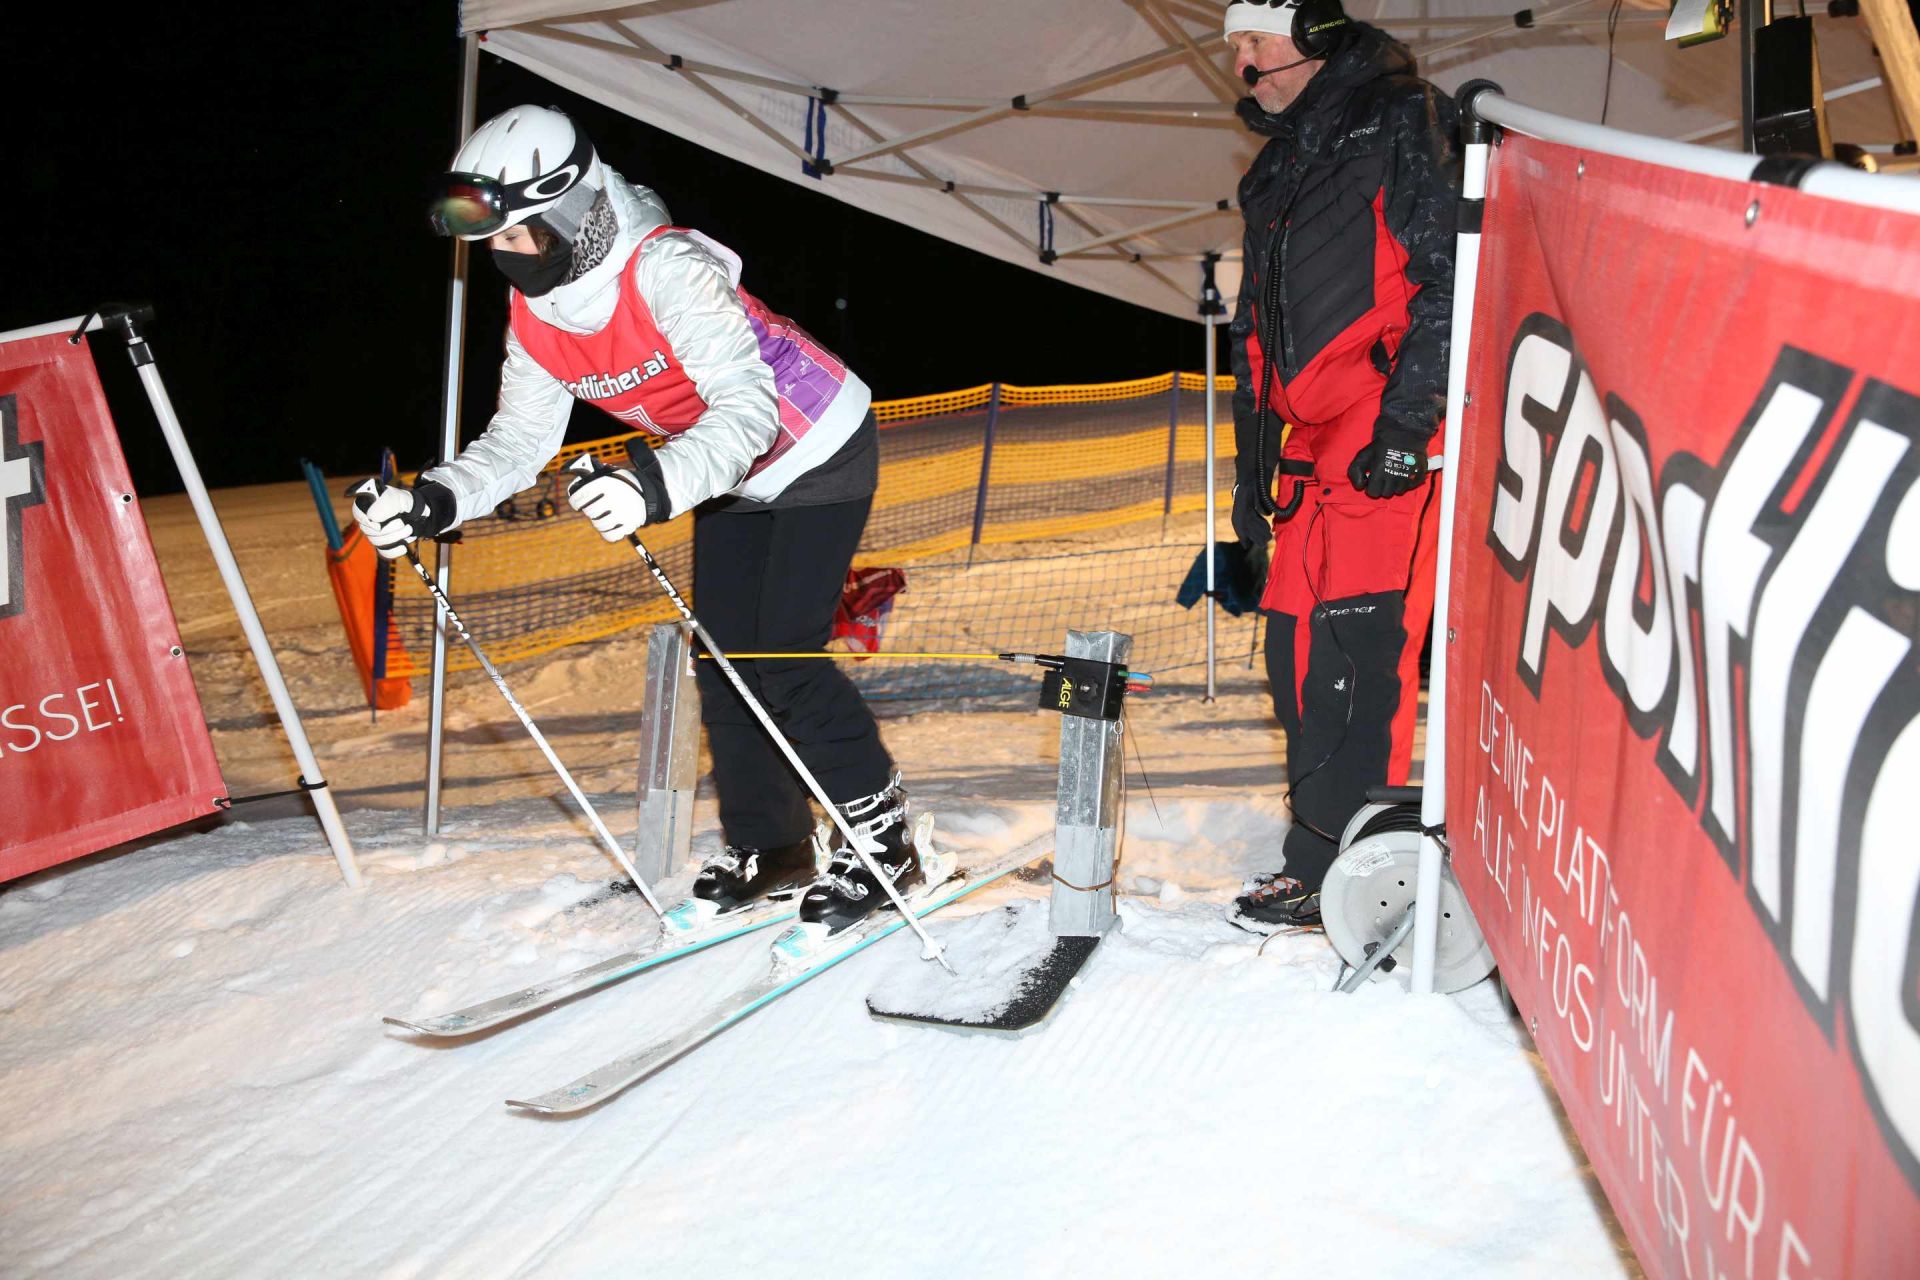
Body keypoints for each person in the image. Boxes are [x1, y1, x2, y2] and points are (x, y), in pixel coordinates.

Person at [352, 105, 918, 935]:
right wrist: (434, 500)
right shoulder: (540, 313)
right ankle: (774, 844)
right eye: (492, 242)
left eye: (514, 236)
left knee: (782, 657)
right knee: (723, 661)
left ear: (568, 213)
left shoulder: (666, 270)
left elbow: (749, 408)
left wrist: (653, 484)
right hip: (718, 467)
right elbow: (519, 441)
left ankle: (884, 841)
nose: (504, 256)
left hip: (814, 444)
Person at [1219, 1, 1459, 932]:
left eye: (1254, 40)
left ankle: (1350, 870)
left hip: (1378, 426)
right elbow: (1253, 328)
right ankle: (1318, 853)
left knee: (1356, 655)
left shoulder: (1403, 116)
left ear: (1315, 32)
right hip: (1306, 443)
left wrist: (1408, 421)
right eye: (1234, 46)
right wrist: (1253, 461)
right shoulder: (1277, 163)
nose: (1241, 62)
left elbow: (1447, 278)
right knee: (1293, 653)